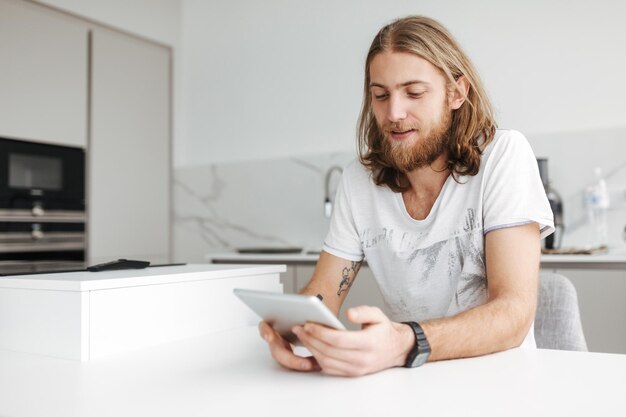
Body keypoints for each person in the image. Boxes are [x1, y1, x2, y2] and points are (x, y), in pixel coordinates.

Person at [259, 15, 554, 377]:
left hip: (499, 381)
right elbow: (324, 291)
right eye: (380, 95)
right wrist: (294, 327)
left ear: (457, 93)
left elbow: (513, 313)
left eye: (414, 93)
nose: (394, 114)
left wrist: (403, 342)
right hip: (409, 382)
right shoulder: (358, 182)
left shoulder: (504, 156)